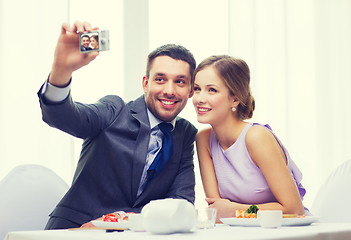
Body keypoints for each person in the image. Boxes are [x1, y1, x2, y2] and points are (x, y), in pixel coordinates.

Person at [38, 21, 197, 229]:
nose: (169, 90)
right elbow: (65, 117)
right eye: (160, 79)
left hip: (131, 233)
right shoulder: (115, 110)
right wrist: (61, 71)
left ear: (191, 90)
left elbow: (180, 202)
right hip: (75, 230)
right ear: (145, 83)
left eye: (180, 82)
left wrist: (117, 221)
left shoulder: (185, 133)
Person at [192, 55, 308, 221]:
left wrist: (235, 210)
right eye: (197, 89)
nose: (199, 99)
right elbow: (217, 211)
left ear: (235, 99)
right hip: (240, 232)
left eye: (212, 90)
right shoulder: (203, 140)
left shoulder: (256, 137)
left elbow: (293, 209)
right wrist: (228, 211)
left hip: (283, 231)